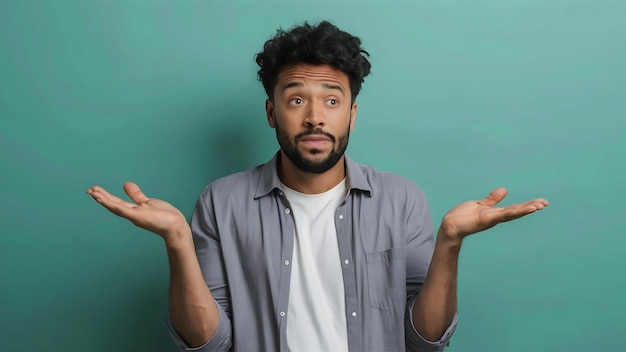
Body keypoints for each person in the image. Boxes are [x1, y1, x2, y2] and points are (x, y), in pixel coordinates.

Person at [86, 21, 548, 352]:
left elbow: (422, 340)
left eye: (332, 98)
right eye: (296, 98)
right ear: (272, 113)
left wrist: (449, 243)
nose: (315, 115)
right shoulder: (220, 202)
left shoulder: (401, 199)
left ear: (352, 113)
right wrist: (178, 243)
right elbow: (209, 343)